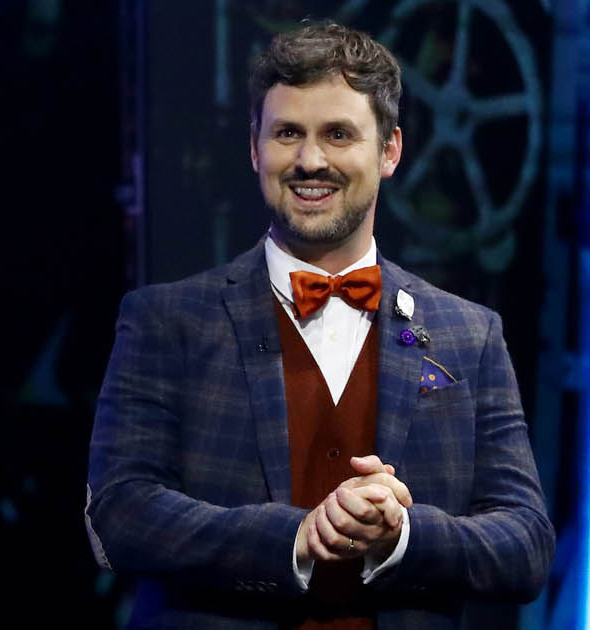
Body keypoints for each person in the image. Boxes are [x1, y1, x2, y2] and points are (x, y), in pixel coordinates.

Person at [84, 22, 554, 629]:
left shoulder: (470, 334)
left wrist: (404, 537)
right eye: (288, 133)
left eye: (338, 134)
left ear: (390, 151)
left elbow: (526, 544)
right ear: (254, 149)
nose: (310, 160)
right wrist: (295, 538)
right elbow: (119, 516)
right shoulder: (166, 321)